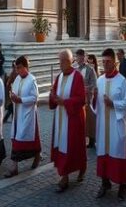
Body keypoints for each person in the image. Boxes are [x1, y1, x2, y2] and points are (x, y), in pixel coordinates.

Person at [91, 48, 126, 200]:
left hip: (116, 124)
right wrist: (94, 98)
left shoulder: (121, 80)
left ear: (114, 62)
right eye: (103, 62)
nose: (105, 64)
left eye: (108, 61)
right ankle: (105, 182)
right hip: (102, 126)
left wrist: (113, 103)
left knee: (117, 151)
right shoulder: (100, 80)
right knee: (103, 152)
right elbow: (95, 106)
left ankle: (123, 185)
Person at [49, 49, 87, 192]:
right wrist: (52, 96)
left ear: (69, 61)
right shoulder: (59, 77)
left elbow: (81, 99)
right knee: (62, 145)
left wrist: (64, 102)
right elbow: (55, 93)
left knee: (74, 146)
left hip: (73, 119)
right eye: (59, 61)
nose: (60, 64)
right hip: (61, 118)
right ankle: (64, 176)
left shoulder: (77, 77)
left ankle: (81, 168)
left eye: (62, 61)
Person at [5, 56, 41, 177]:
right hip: (18, 114)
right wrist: (12, 97)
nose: (17, 70)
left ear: (25, 67)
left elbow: (35, 97)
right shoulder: (17, 79)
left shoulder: (32, 80)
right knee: (19, 137)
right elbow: (14, 92)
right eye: (16, 68)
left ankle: (14, 166)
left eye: (19, 67)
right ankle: (36, 155)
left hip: (27, 114)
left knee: (22, 138)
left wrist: (21, 99)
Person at [74, 49, 98, 148]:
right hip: (78, 99)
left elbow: (94, 84)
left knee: (89, 120)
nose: (80, 58)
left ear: (85, 57)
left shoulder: (90, 69)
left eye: (82, 56)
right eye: (78, 56)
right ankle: (80, 139)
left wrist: (86, 89)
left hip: (87, 98)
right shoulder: (75, 69)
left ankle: (92, 139)